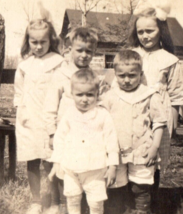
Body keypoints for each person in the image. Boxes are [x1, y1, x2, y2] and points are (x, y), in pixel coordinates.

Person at [128, 6, 183, 208]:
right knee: (136, 154)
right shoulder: (131, 55)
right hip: (136, 112)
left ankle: (152, 201)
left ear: (161, 30)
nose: (144, 36)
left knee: (156, 157)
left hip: (161, 115)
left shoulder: (171, 60)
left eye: (149, 31)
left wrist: (174, 123)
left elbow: (177, 94)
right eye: (140, 31)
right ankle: (134, 201)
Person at [102, 50, 167, 214]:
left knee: (140, 185)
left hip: (142, 149)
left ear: (141, 74)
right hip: (116, 150)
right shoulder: (110, 95)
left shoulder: (149, 95)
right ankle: (117, 210)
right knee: (116, 184)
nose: (127, 80)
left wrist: (154, 147)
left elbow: (159, 122)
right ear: (115, 74)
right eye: (121, 75)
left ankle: (141, 210)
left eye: (132, 75)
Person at [48, 69, 119, 214]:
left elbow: (111, 140)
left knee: (96, 202)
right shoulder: (69, 114)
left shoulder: (103, 115)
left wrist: (113, 165)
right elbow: (60, 139)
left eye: (90, 95)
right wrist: (56, 163)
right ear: (72, 94)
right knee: (72, 198)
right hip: (71, 167)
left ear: (97, 94)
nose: (84, 99)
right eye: (80, 94)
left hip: (96, 168)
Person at [14, 19, 64, 214]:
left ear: (51, 40)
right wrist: (22, 113)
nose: (39, 46)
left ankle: (55, 202)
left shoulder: (58, 63)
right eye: (34, 42)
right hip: (29, 118)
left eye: (43, 42)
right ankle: (36, 201)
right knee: (32, 158)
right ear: (28, 41)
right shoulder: (25, 65)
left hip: (51, 117)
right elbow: (19, 93)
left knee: (52, 159)